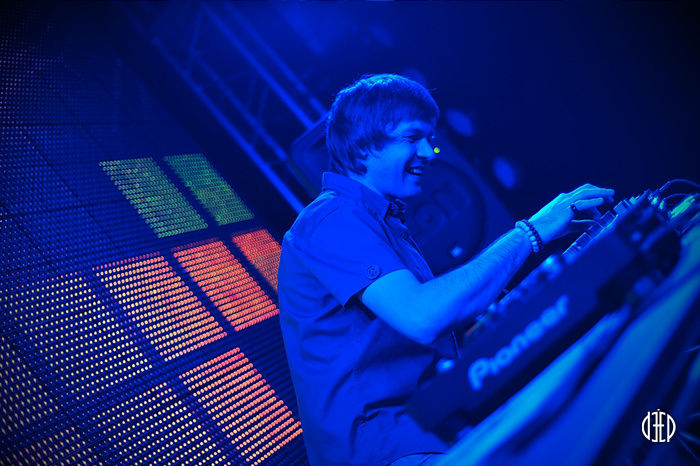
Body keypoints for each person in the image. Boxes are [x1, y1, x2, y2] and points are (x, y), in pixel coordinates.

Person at [277, 74, 613, 466]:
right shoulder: (332, 219)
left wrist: (560, 258)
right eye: (412, 137)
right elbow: (423, 317)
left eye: (429, 138)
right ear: (364, 145)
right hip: (386, 451)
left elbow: (448, 318)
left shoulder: (380, 220)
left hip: (425, 431)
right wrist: (531, 232)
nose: (428, 151)